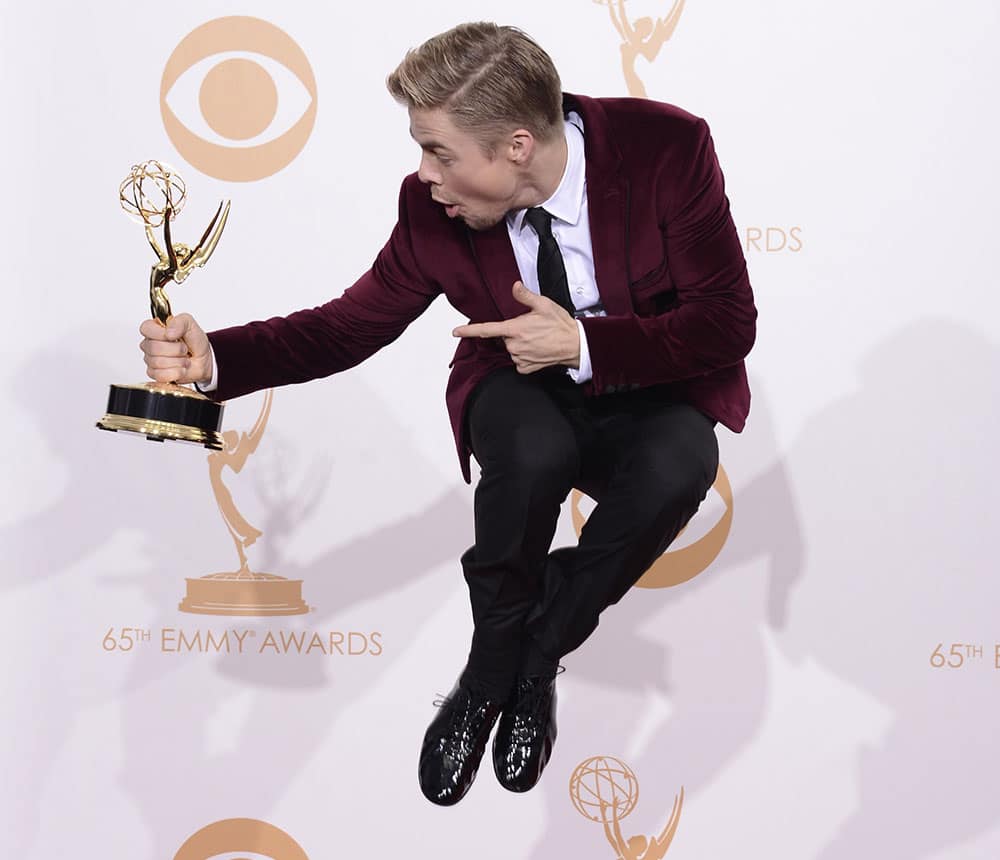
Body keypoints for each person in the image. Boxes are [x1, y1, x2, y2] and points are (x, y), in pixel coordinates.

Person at [138, 22, 756, 806]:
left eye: (439, 152)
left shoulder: (668, 150)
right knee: (532, 453)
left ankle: (535, 653)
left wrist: (586, 342)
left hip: (647, 380)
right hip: (514, 383)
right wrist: (215, 358)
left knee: (681, 465)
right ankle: (489, 670)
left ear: (518, 147)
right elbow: (349, 325)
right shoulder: (429, 208)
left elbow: (729, 321)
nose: (424, 173)